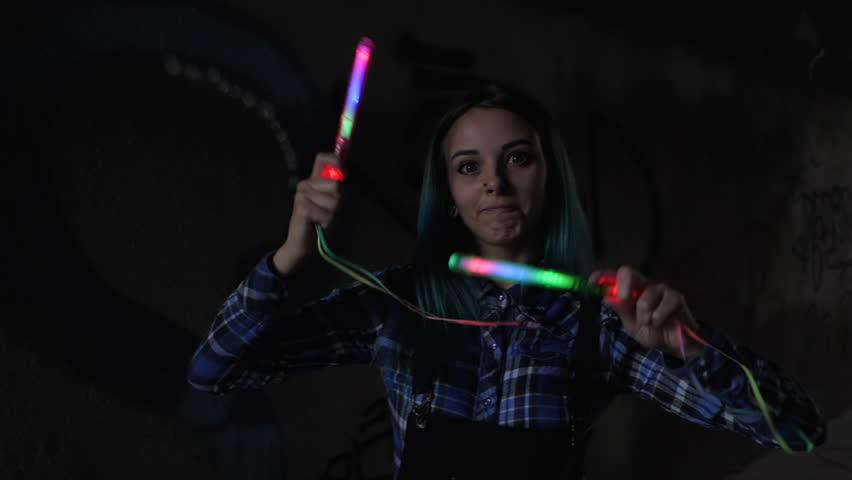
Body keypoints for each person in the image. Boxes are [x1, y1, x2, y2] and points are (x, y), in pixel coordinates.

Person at [187, 83, 826, 479]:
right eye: (469, 167)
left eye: (517, 157)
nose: (494, 181)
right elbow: (216, 371)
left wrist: (688, 346)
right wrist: (290, 254)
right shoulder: (398, 304)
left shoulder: (602, 326)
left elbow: (795, 429)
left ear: (550, 176)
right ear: (449, 194)